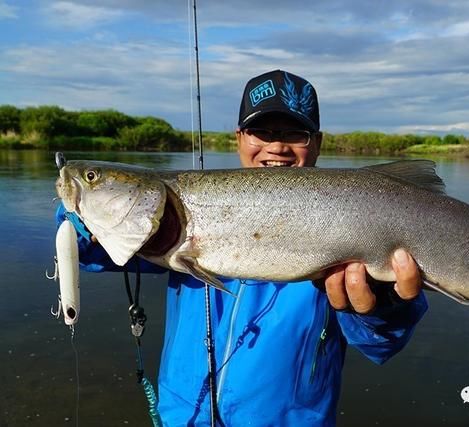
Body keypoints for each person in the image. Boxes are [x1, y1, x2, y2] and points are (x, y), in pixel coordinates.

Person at [56, 69, 428, 426]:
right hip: (183, 418)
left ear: (317, 143)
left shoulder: (348, 217)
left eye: (295, 133)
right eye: (260, 131)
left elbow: (380, 344)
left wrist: (384, 306)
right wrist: (79, 215)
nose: (277, 146)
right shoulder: (168, 224)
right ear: (239, 137)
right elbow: (90, 252)